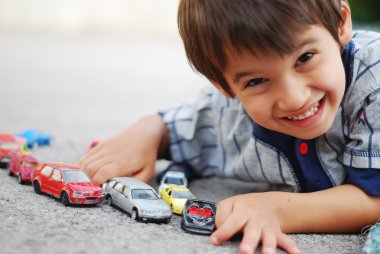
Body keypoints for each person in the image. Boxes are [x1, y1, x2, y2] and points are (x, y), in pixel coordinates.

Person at [79, 0, 380, 253]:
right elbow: (178, 124)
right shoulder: (228, 114)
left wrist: (279, 209)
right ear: (224, 86)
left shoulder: (374, 82)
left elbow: (375, 199)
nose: (293, 98)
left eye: (305, 57)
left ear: (341, 24)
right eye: (257, 81)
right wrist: (149, 132)